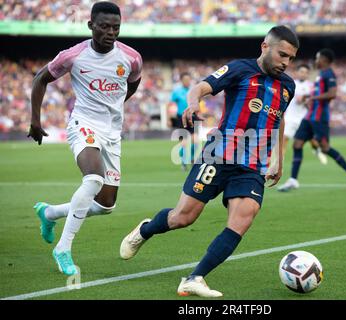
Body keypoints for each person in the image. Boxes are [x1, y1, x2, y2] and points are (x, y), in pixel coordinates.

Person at [120, 25, 298, 297]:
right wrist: (192, 105)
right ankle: (145, 230)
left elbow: (280, 118)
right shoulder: (239, 69)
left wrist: (278, 158)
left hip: (252, 165)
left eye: (291, 58)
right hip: (218, 154)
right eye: (282, 55)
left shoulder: (287, 86)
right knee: (183, 217)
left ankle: (194, 278)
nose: (286, 63)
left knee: (244, 217)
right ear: (265, 47)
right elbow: (200, 88)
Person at [28, 1, 142, 276]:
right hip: (83, 124)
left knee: (105, 206)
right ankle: (63, 248)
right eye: (104, 26)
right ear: (90, 25)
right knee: (92, 179)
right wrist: (35, 120)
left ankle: (50, 213)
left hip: (112, 132)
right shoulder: (73, 55)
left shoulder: (131, 57)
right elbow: (40, 79)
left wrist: (116, 105)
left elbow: (134, 81)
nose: (110, 32)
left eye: (116, 27)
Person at [278, 48, 346, 192]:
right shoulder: (319, 75)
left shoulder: (329, 74)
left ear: (324, 59)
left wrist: (313, 98)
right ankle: (293, 180)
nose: (316, 60)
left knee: (325, 148)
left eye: (318, 58)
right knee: (297, 145)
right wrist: (307, 97)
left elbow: (332, 94)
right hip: (309, 116)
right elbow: (316, 92)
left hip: (320, 117)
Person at [282, 63, 327, 165]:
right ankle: (280, 161)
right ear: (297, 72)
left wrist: (307, 101)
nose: (303, 74)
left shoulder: (311, 86)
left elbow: (311, 102)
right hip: (290, 117)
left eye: (306, 72)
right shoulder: (291, 83)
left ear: (308, 74)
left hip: (304, 118)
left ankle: (317, 150)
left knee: (312, 141)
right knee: (284, 139)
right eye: (301, 72)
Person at [170, 72, 197, 170]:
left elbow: (198, 103)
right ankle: (183, 162)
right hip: (181, 118)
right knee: (184, 143)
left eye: (188, 79)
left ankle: (192, 158)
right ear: (181, 80)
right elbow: (170, 104)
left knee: (196, 141)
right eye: (185, 80)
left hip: (194, 117)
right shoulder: (177, 92)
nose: (187, 81)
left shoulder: (194, 90)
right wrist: (169, 117)